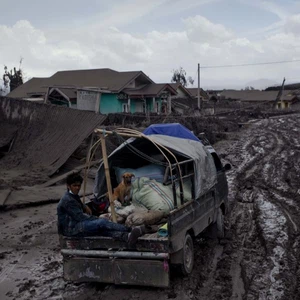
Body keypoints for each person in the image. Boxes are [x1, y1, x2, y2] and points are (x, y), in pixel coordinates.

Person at [57, 173, 143, 247]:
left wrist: (84, 206)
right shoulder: (67, 200)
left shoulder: (72, 195)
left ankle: (126, 236)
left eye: (79, 185)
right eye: (74, 185)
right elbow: (80, 217)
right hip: (72, 229)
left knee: (102, 231)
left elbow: (77, 202)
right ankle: (129, 229)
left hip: (76, 224)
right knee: (101, 222)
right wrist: (95, 218)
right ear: (68, 186)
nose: (77, 188)